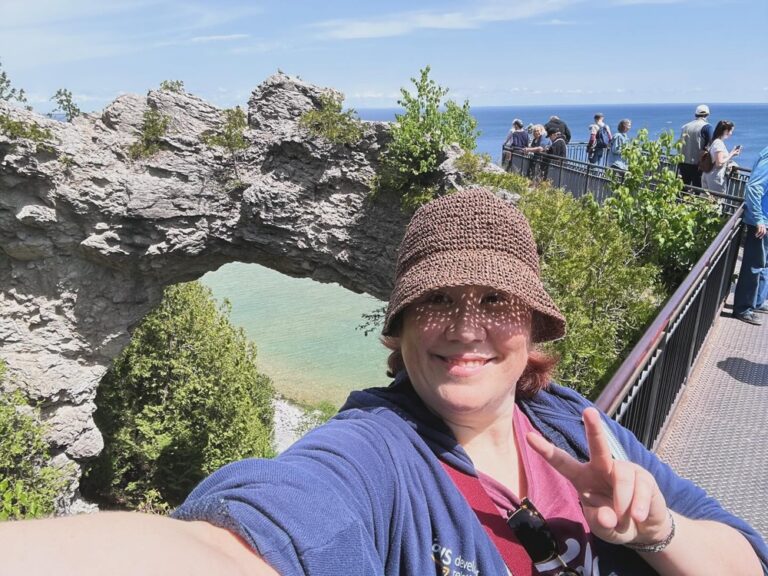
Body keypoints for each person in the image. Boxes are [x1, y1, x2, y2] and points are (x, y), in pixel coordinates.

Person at [1, 189, 767, 576]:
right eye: (436, 300)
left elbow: (745, 559)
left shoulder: (570, 423)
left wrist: (657, 531)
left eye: (495, 301)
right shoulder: (378, 453)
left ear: (534, 327)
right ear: (397, 331)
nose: (466, 328)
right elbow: (232, 548)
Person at [732, 145, 768, 326]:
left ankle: (757, 302)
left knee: (764, 265)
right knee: (754, 266)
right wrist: (759, 219)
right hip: (761, 223)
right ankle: (744, 308)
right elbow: (754, 187)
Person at [679, 104, 714, 188]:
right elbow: (711, 144)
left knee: (683, 188)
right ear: (707, 115)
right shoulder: (707, 127)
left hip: (683, 162)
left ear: (696, 114)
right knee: (698, 189)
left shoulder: (685, 127)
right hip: (697, 164)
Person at [701, 120, 741, 193]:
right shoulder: (719, 143)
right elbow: (719, 163)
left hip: (707, 174)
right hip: (715, 177)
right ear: (726, 131)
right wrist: (732, 154)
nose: (731, 133)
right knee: (717, 201)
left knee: (707, 200)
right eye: (731, 131)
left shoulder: (714, 141)